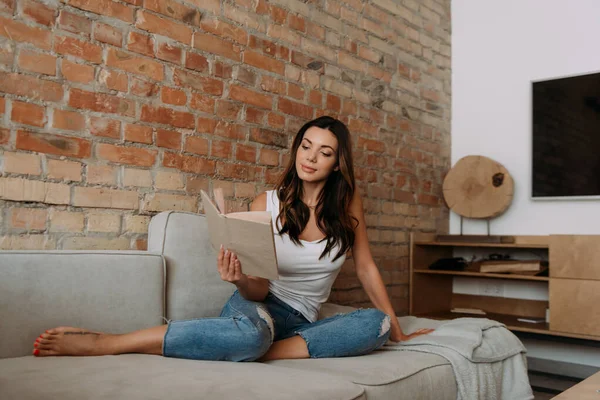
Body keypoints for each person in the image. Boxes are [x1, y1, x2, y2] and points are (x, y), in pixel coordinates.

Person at [32, 116, 433, 361]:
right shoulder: (269, 202)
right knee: (252, 333)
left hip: (304, 323)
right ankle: (111, 343)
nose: (310, 157)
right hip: (255, 308)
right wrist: (239, 278)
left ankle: (253, 353)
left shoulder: (348, 203)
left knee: (374, 326)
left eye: (324, 152)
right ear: (297, 149)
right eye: (306, 146)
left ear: (336, 163)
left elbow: (364, 266)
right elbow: (258, 288)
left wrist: (397, 329)